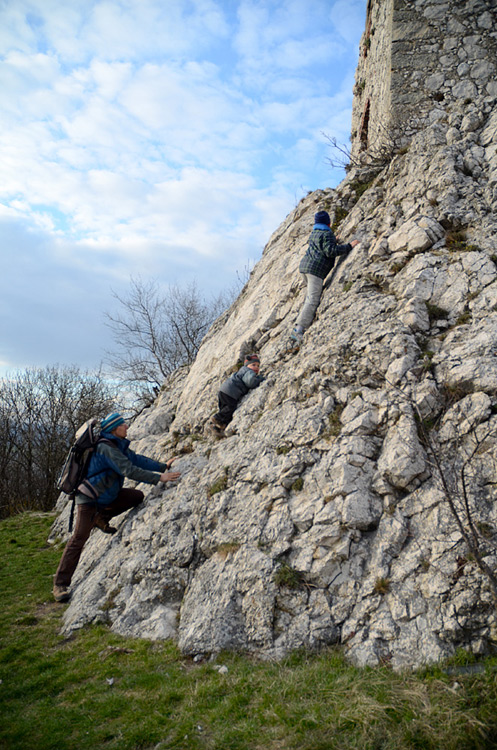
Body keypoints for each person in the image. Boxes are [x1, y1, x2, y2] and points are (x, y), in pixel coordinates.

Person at [53, 412, 180, 603]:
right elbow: (129, 470)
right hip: (89, 499)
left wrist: (162, 466)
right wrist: (158, 478)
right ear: (114, 428)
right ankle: (60, 584)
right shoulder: (106, 448)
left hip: (106, 496)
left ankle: (101, 516)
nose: (127, 427)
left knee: (136, 496)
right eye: (123, 425)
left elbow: (136, 459)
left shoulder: (117, 444)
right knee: (79, 538)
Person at [288, 210, 359, 350]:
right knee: (313, 299)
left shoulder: (315, 233)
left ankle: (301, 324)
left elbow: (321, 245)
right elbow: (330, 251)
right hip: (315, 270)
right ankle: (298, 330)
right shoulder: (327, 234)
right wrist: (349, 246)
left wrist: (334, 240)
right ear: (329, 223)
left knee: (310, 297)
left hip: (305, 267)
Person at [210, 354, 264, 434]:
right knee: (231, 407)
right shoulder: (248, 371)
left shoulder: (240, 371)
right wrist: (260, 379)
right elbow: (250, 382)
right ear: (247, 365)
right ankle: (217, 418)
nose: (256, 367)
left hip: (223, 390)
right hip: (231, 392)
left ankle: (218, 427)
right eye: (253, 365)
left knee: (227, 411)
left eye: (258, 366)